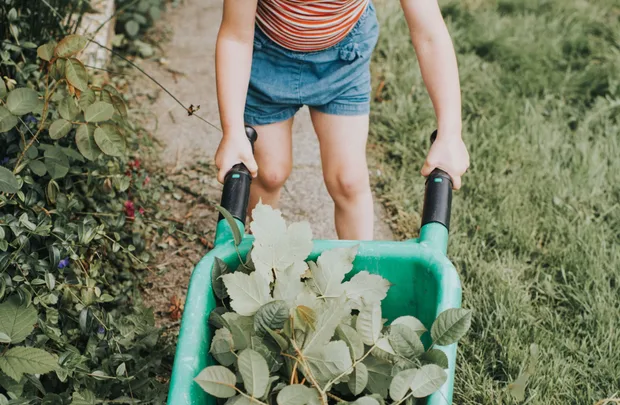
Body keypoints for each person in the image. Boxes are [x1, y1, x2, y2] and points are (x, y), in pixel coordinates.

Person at [214, 0, 469, 240]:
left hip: (343, 61)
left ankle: (358, 275)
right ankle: (264, 257)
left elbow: (430, 35)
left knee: (348, 180)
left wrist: (450, 133)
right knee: (269, 174)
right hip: (266, 58)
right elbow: (235, 38)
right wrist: (233, 131)